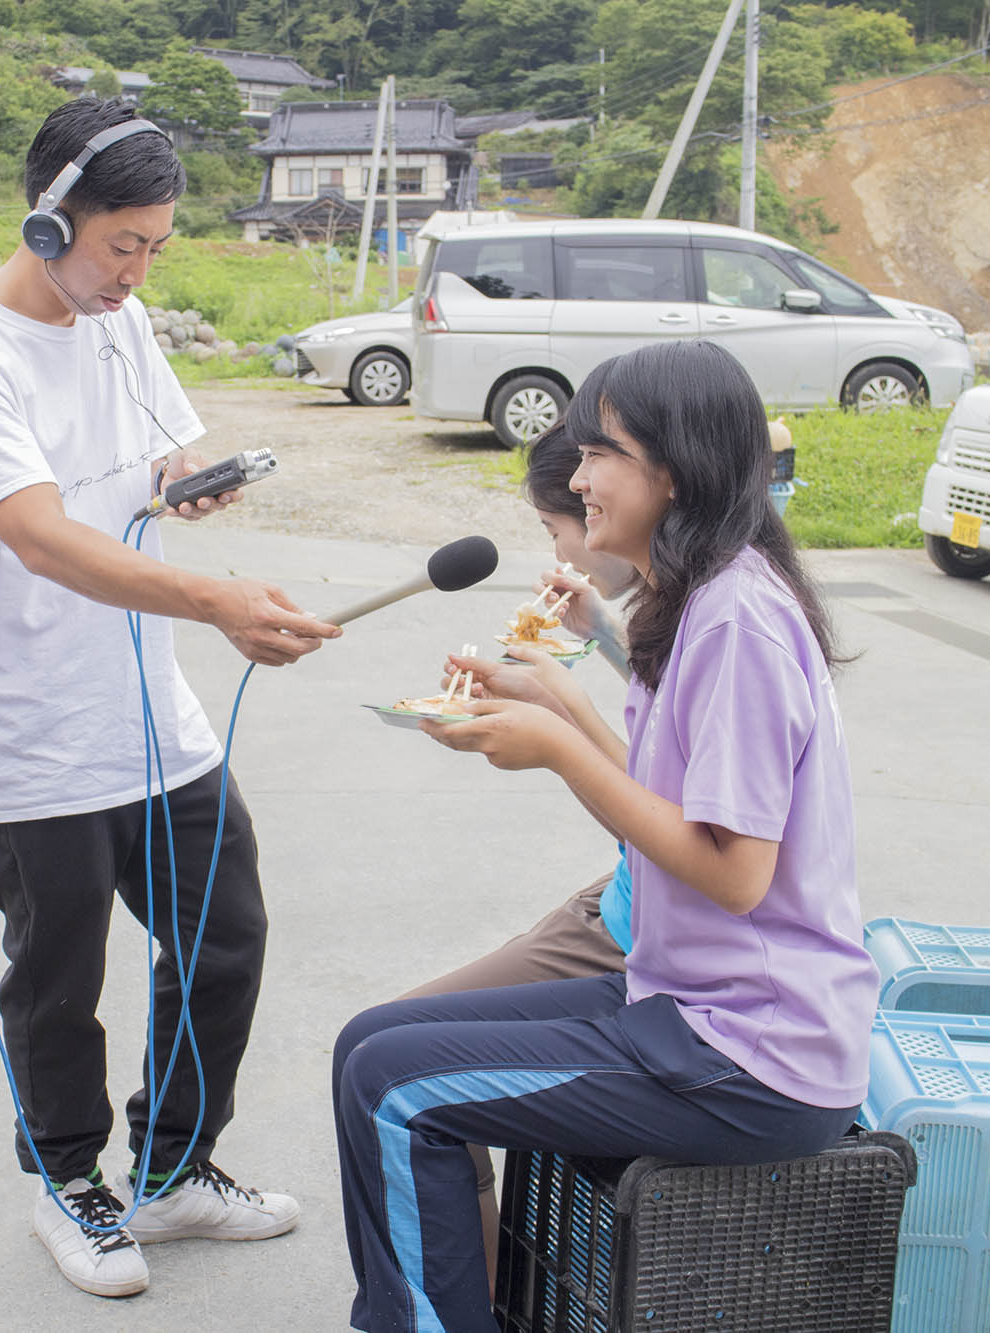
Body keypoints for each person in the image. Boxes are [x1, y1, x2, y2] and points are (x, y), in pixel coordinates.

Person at [331, 339, 878, 1333]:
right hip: (693, 1012)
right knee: (369, 1042)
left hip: (746, 1055)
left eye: (599, 452)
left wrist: (553, 744)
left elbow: (735, 873)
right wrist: (548, 698)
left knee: (391, 1085)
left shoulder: (736, 623)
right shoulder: (712, 597)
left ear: (673, 466)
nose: (577, 477)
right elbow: (673, 802)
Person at [0, 96, 341, 1300]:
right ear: (49, 220)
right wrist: (209, 596)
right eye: (121, 245)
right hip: (34, 729)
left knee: (224, 940)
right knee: (59, 983)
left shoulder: (118, 319)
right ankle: (66, 1182)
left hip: (155, 718)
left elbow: (155, 453)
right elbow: (38, 537)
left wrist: (184, 484)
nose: (137, 271)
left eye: (154, 246)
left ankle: (173, 1168)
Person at [391, 422, 642, 1297]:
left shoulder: (729, 625)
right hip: (630, 900)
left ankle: (482, 1298)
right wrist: (578, 660)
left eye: (568, 512)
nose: (571, 531)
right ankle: (487, 1291)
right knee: (386, 1046)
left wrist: (555, 717)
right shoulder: (690, 607)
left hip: (651, 936)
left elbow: (679, 829)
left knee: (396, 1061)